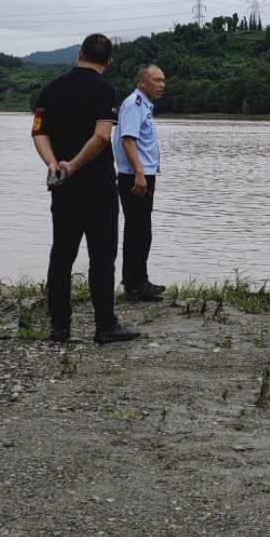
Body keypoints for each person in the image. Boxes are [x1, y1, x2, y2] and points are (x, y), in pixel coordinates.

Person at [30, 33, 138, 345]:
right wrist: (75, 165)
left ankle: (59, 328)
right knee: (102, 257)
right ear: (109, 61)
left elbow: (38, 132)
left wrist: (54, 165)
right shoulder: (105, 89)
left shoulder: (51, 88)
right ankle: (105, 326)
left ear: (79, 53)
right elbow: (103, 136)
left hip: (61, 187)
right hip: (99, 188)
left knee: (61, 255)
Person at [114, 63, 167, 301]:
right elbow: (128, 140)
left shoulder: (142, 105)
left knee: (140, 229)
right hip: (136, 177)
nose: (161, 85)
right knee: (139, 229)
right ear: (142, 82)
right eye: (156, 80)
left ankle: (135, 280)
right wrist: (139, 173)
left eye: (163, 80)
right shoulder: (134, 104)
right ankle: (137, 283)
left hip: (142, 175)